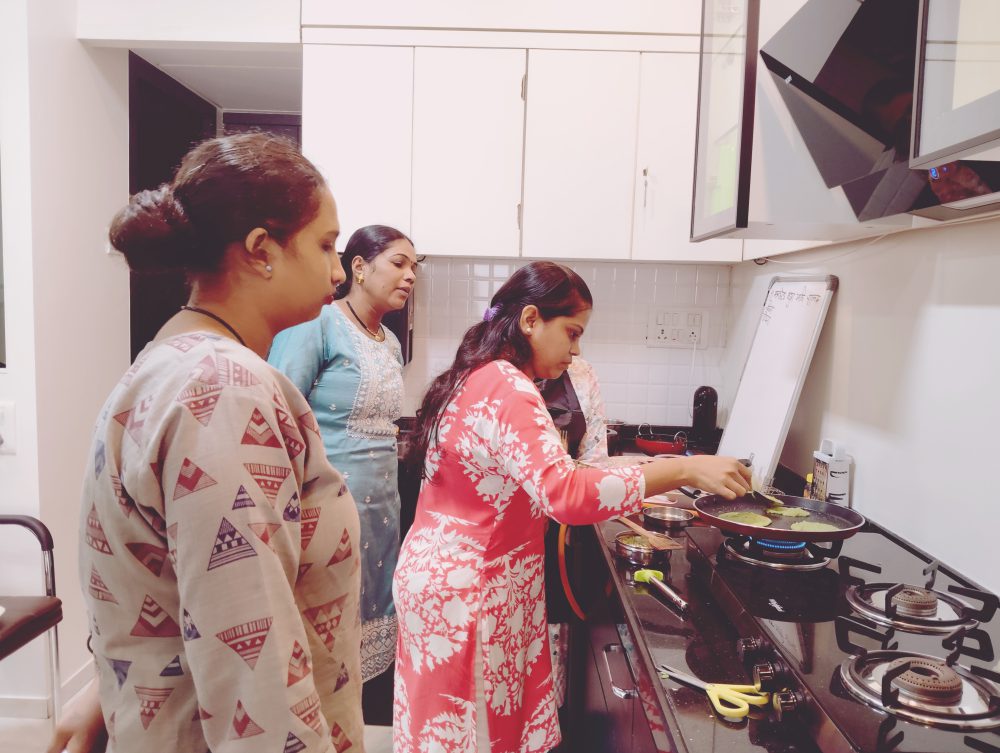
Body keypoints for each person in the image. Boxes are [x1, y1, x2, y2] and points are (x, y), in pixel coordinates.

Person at [75, 132, 364, 752]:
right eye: (325, 245)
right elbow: (255, 680)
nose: (338, 272)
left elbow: (178, 583)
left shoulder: (172, 360)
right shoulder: (225, 390)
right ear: (262, 250)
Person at [392, 261, 751, 753]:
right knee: (474, 735)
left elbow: (551, 475)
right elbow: (564, 492)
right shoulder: (508, 388)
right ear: (531, 319)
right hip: (472, 591)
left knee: (455, 728)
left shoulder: (478, 374)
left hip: (451, 576)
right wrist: (685, 469)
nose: (576, 349)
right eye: (572, 332)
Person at [268, 224, 419, 721]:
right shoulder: (317, 325)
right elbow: (277, 418)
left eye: (413, 267)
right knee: (325, 636)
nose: (410, 276)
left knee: (372, 632)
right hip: (323, 511)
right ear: (359, 267)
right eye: (398, 263)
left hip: (381, 513)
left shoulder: (390, 343)